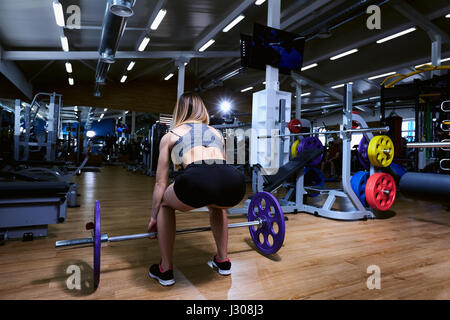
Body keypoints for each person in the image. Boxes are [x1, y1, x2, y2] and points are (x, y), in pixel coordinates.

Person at [147, 92, 246, 286]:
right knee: (218, 206)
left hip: (197, 179)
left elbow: (160, 182)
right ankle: (223, 261)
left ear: (179, 111)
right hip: (234, 181)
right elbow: (218, 170)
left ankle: (165, 269)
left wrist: (153, 217)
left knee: (165, 205)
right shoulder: (217, 133)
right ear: (203, 110)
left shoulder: (171, 136)